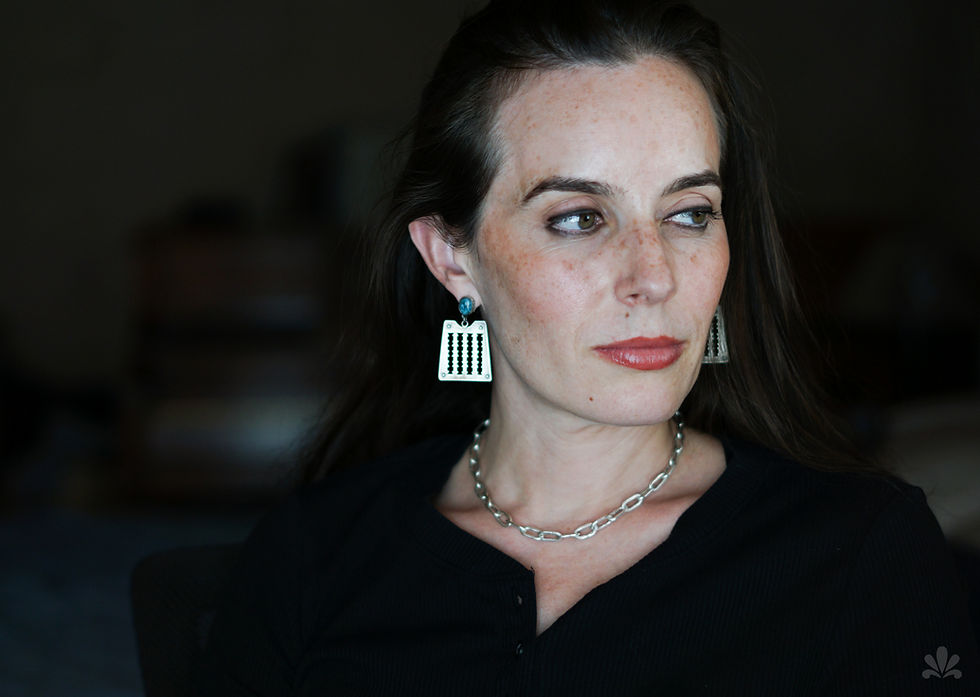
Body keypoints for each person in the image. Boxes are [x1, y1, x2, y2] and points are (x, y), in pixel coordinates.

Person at [196, 0, 980, 694]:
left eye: (689, 213)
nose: (654, 277)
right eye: (578, 217)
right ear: (451, 257)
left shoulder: (864, 554)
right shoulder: (314, 554)